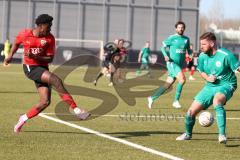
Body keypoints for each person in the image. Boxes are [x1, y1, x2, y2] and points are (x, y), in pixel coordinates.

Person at [3, 14, 90, 133]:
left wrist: (35, 56)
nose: (50, 29)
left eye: (50, 26)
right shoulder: (25, 34)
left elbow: (49, 59)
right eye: (48, 26)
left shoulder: (50, 38)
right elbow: (17, 43)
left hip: (43, 68)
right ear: (40, 26)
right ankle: (77, 111)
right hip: (30, 68)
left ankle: (23, 118)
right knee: (56, 80)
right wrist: (10, 56)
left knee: (45, 102)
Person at [176, 32, 240, 144]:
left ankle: (222, 135)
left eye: (204, 44)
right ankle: (188, 134)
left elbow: (238, 69)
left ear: (212, 43)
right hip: (210, 86)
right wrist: (207, 78)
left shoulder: (226, 55)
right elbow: (201, 71)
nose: (201, 47)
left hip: (227, 84)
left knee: (217, 101)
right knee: (190, 113)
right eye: (201, 44)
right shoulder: (202, 56)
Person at [148, 21, 192, 109]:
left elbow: (188, 49)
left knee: (167, 85)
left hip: (179, 65)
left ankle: (152, 98)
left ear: (184, 28)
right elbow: (162, 47)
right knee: (182, 80)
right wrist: (165, 55)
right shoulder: (172, 38)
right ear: (176, 29)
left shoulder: (186, 39)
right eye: (179, 27)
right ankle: (176, 101)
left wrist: (190, 54)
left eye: (182, 27)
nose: (181, 29)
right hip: (172, 63)